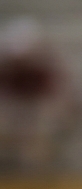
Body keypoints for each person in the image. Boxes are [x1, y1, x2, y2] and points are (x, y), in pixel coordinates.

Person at [0, 18, 75, 174]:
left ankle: (41, 174)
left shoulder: (50, 67)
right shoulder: (7, 67)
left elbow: (61, 100)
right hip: (15, 107)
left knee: (40, 146)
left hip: (39, 108)